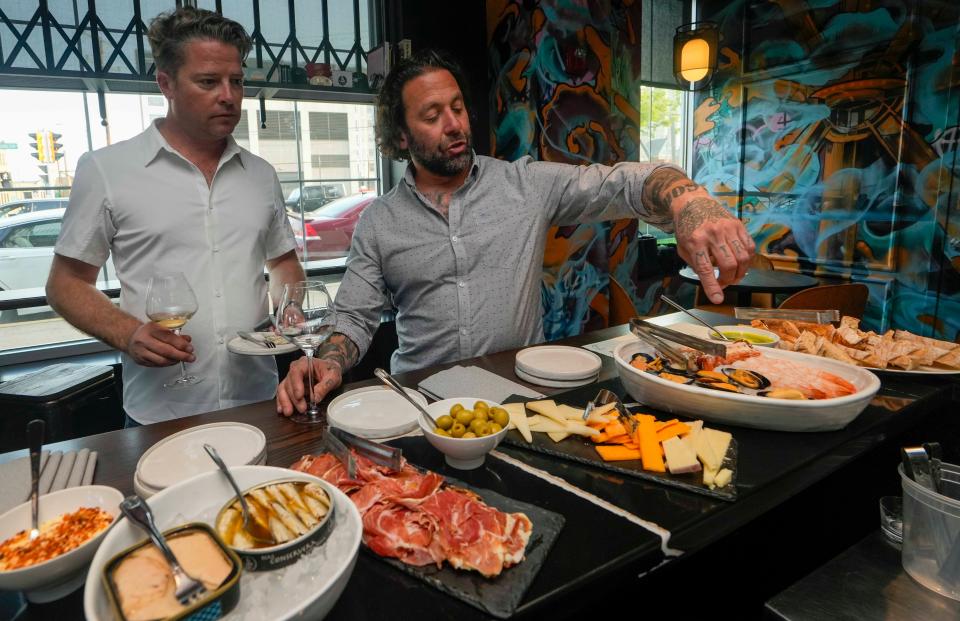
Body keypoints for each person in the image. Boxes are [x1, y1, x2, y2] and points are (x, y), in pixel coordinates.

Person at [276, 49, 754, 415]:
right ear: (401, 137)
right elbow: (354, 318)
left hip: (520, 399)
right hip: (420, 405)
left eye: (458, 108)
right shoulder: (380, 221)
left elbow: (627, 182)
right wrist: (331, 361)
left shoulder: (524, 184)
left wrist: (690, 201)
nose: (454, 124)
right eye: (432, 115)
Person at [47, 7, 304, 425]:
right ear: (165, 84)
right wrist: (127, 334)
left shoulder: (262, 175)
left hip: (259, 401)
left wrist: (288, 308)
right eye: (208, 82)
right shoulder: (107, 170)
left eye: (236, 81)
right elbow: (65, 284)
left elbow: (282, 262)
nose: (228, 95)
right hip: (161, 412)